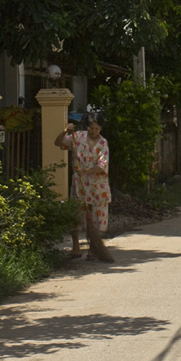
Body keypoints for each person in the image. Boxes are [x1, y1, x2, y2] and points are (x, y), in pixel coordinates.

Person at [55, 111, 111, 259]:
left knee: (94, 217)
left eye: (97, 129)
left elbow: (102, 165)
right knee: (77, 214)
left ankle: (93, 249)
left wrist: (86, 171)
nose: (94, 131)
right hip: (79, 183)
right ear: (87, 126)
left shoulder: (103, 143)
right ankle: (76, 248)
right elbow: (58, 143)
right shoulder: (77, 137)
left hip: (97, 185)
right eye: (92, 128)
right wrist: (65, 131)